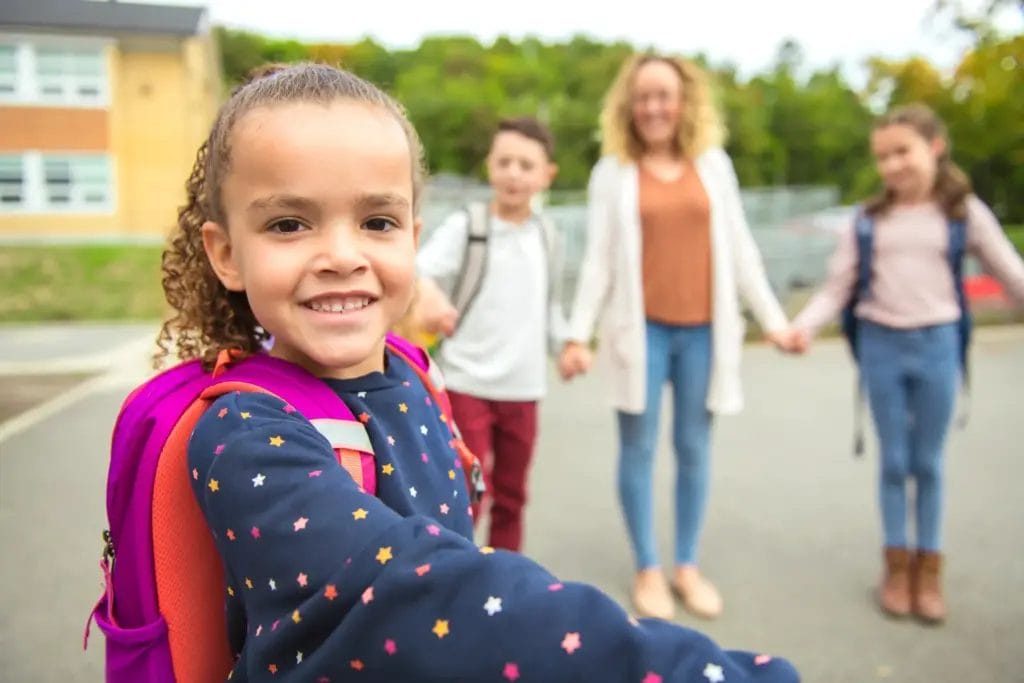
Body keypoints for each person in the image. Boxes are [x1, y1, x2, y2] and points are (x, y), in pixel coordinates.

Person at [150, 63, 798, 681]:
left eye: (377, 221)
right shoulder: (244, 434)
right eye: (290, 223)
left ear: (412, 233)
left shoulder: (409, 371)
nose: (342, 255)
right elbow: (423, 597)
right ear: (227, 254)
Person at [558, 53, 795, 621]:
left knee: (694, 449)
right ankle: (647, 568)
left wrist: (776, 322)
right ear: (628, 106)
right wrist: (577, 334)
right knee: (637, 449)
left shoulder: (712, 165)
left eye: (664, 95)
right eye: (643, 97)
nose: (654, 107)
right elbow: (597, 263)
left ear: (684, 102)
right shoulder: (612, 173)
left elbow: (741, 251)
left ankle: (685, 565)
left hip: (706, 334)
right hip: (642, 336)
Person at [790, 103, 1024, 624]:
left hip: (939, 345)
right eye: (883, 157)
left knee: (929, 463)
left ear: (935, 147)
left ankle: (929, 567)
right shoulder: (869, 221)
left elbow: (1010, 272)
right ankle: (896, 565)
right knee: (894, 462)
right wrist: (802, 326)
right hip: (881, 346)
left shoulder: (964, 213)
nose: (893, 166)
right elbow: (837, 287)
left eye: (903, 152)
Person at [413, 116, 565, 552]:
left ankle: (507, 579)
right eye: (504, 162)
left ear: (546, 175)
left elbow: (551, 305)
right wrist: (432, 300)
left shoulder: (548, 236)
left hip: (524, 387)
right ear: (489, 166)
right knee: (466, 492)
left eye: (525, 164)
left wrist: (568, 346)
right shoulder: (469, 226)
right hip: (466, 381)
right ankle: (457, 573)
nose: (514, 173)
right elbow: (421, 270)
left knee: (513, 497)